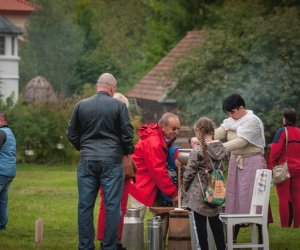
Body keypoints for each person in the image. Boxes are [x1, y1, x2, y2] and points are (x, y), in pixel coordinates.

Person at [66, 73, 134, 250]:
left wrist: (84, 148)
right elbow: (128, 134)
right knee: (113, 207)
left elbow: (71, 133)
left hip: (87, 160)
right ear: (112, 88)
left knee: (85, 207)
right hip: (112, 161)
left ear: (98, 86)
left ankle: (85, 246)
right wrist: (124, 151)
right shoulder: (119, 106)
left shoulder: (81, 105)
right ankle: (109, 247)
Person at [214, 93, 267, 243]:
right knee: (234, 198)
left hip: (252, 163)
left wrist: (217, 148)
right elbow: (220, 131)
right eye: (228, 113)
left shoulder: (252, 121)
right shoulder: (232, 120)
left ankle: (262, 238)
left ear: (241, 108)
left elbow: (241, 142)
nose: (231, 115)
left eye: (232, 112)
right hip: (235, 163)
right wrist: (204, 138)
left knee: (253, 200)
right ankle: (232, 240)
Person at [129, 112, 180, 240]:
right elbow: (159, 171)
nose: (176, 132)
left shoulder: (161, 137)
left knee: (156, 215)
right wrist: (173, 193)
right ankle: (130, 243)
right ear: (163, 126)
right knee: (136, 218)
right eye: (174, 129)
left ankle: (156, 242)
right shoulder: (154, 142)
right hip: (140, 182)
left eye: (178, 129)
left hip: (148, 181)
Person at [183, 117, 227, 250]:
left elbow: (189, 173)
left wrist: (184, 187)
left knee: (200, 229)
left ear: (198, 131)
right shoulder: (224, 149)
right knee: (216, 226)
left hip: (199, 195)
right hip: (216, 192)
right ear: (213, 131)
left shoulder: (198, 151)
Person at [97, 92, 133, 250]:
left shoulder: (101, 123)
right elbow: (127, 144)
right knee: (112, 204)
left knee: (115, 204)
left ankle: (113, 240)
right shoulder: (119, 125)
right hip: (116, 165)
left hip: (108, 164)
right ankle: (109, 240)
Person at [268, 108, 300, 228]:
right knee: (297, 199)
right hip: (298, 169)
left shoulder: (282, 131)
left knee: (283, 199)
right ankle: (297, 226)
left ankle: (285, 226)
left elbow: (275, 150)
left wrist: (271, 165)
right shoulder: (299, 131)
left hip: (283, 168)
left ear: (284, 118)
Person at [0, 112, 16, 231]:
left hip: (1, 171)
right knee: (2, 199)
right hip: (9, 171)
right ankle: (2, 225)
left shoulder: (1, 133)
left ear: (1, 121)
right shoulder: (9, 132)